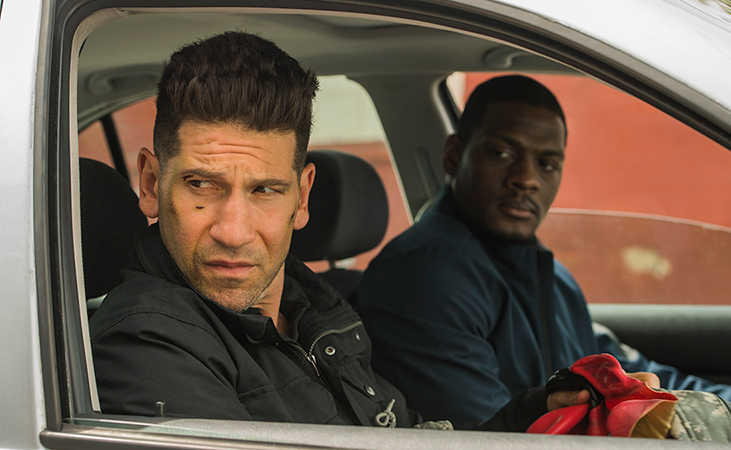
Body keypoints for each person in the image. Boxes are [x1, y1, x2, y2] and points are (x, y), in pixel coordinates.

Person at [89, 33, 602, 431]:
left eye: (265, 190)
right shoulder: (145, 346)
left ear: (302, 198)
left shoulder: (312, 305)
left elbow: (409, 440)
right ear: (152, 184)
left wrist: (537, 413)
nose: (234, 231)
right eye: (202, 185)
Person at [354, 75, 731, 428]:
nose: (526, 179)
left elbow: (635, 378)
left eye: (547, 164)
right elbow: (485, 437)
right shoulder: (424, 277)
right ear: (454, 156)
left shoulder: (547, 273)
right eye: (502, 153)